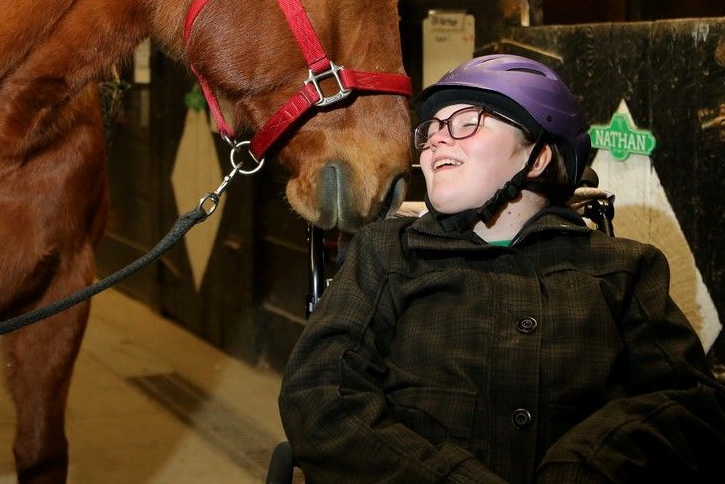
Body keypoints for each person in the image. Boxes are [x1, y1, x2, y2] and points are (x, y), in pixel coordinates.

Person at [278, 54, 725, 483]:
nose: (436, 140)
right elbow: (319, 396)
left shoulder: (623, 268)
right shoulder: (388, 253)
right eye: (431, 130)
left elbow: (692, 403)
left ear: (539, 157)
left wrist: (587, 462)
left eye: (466, 122)